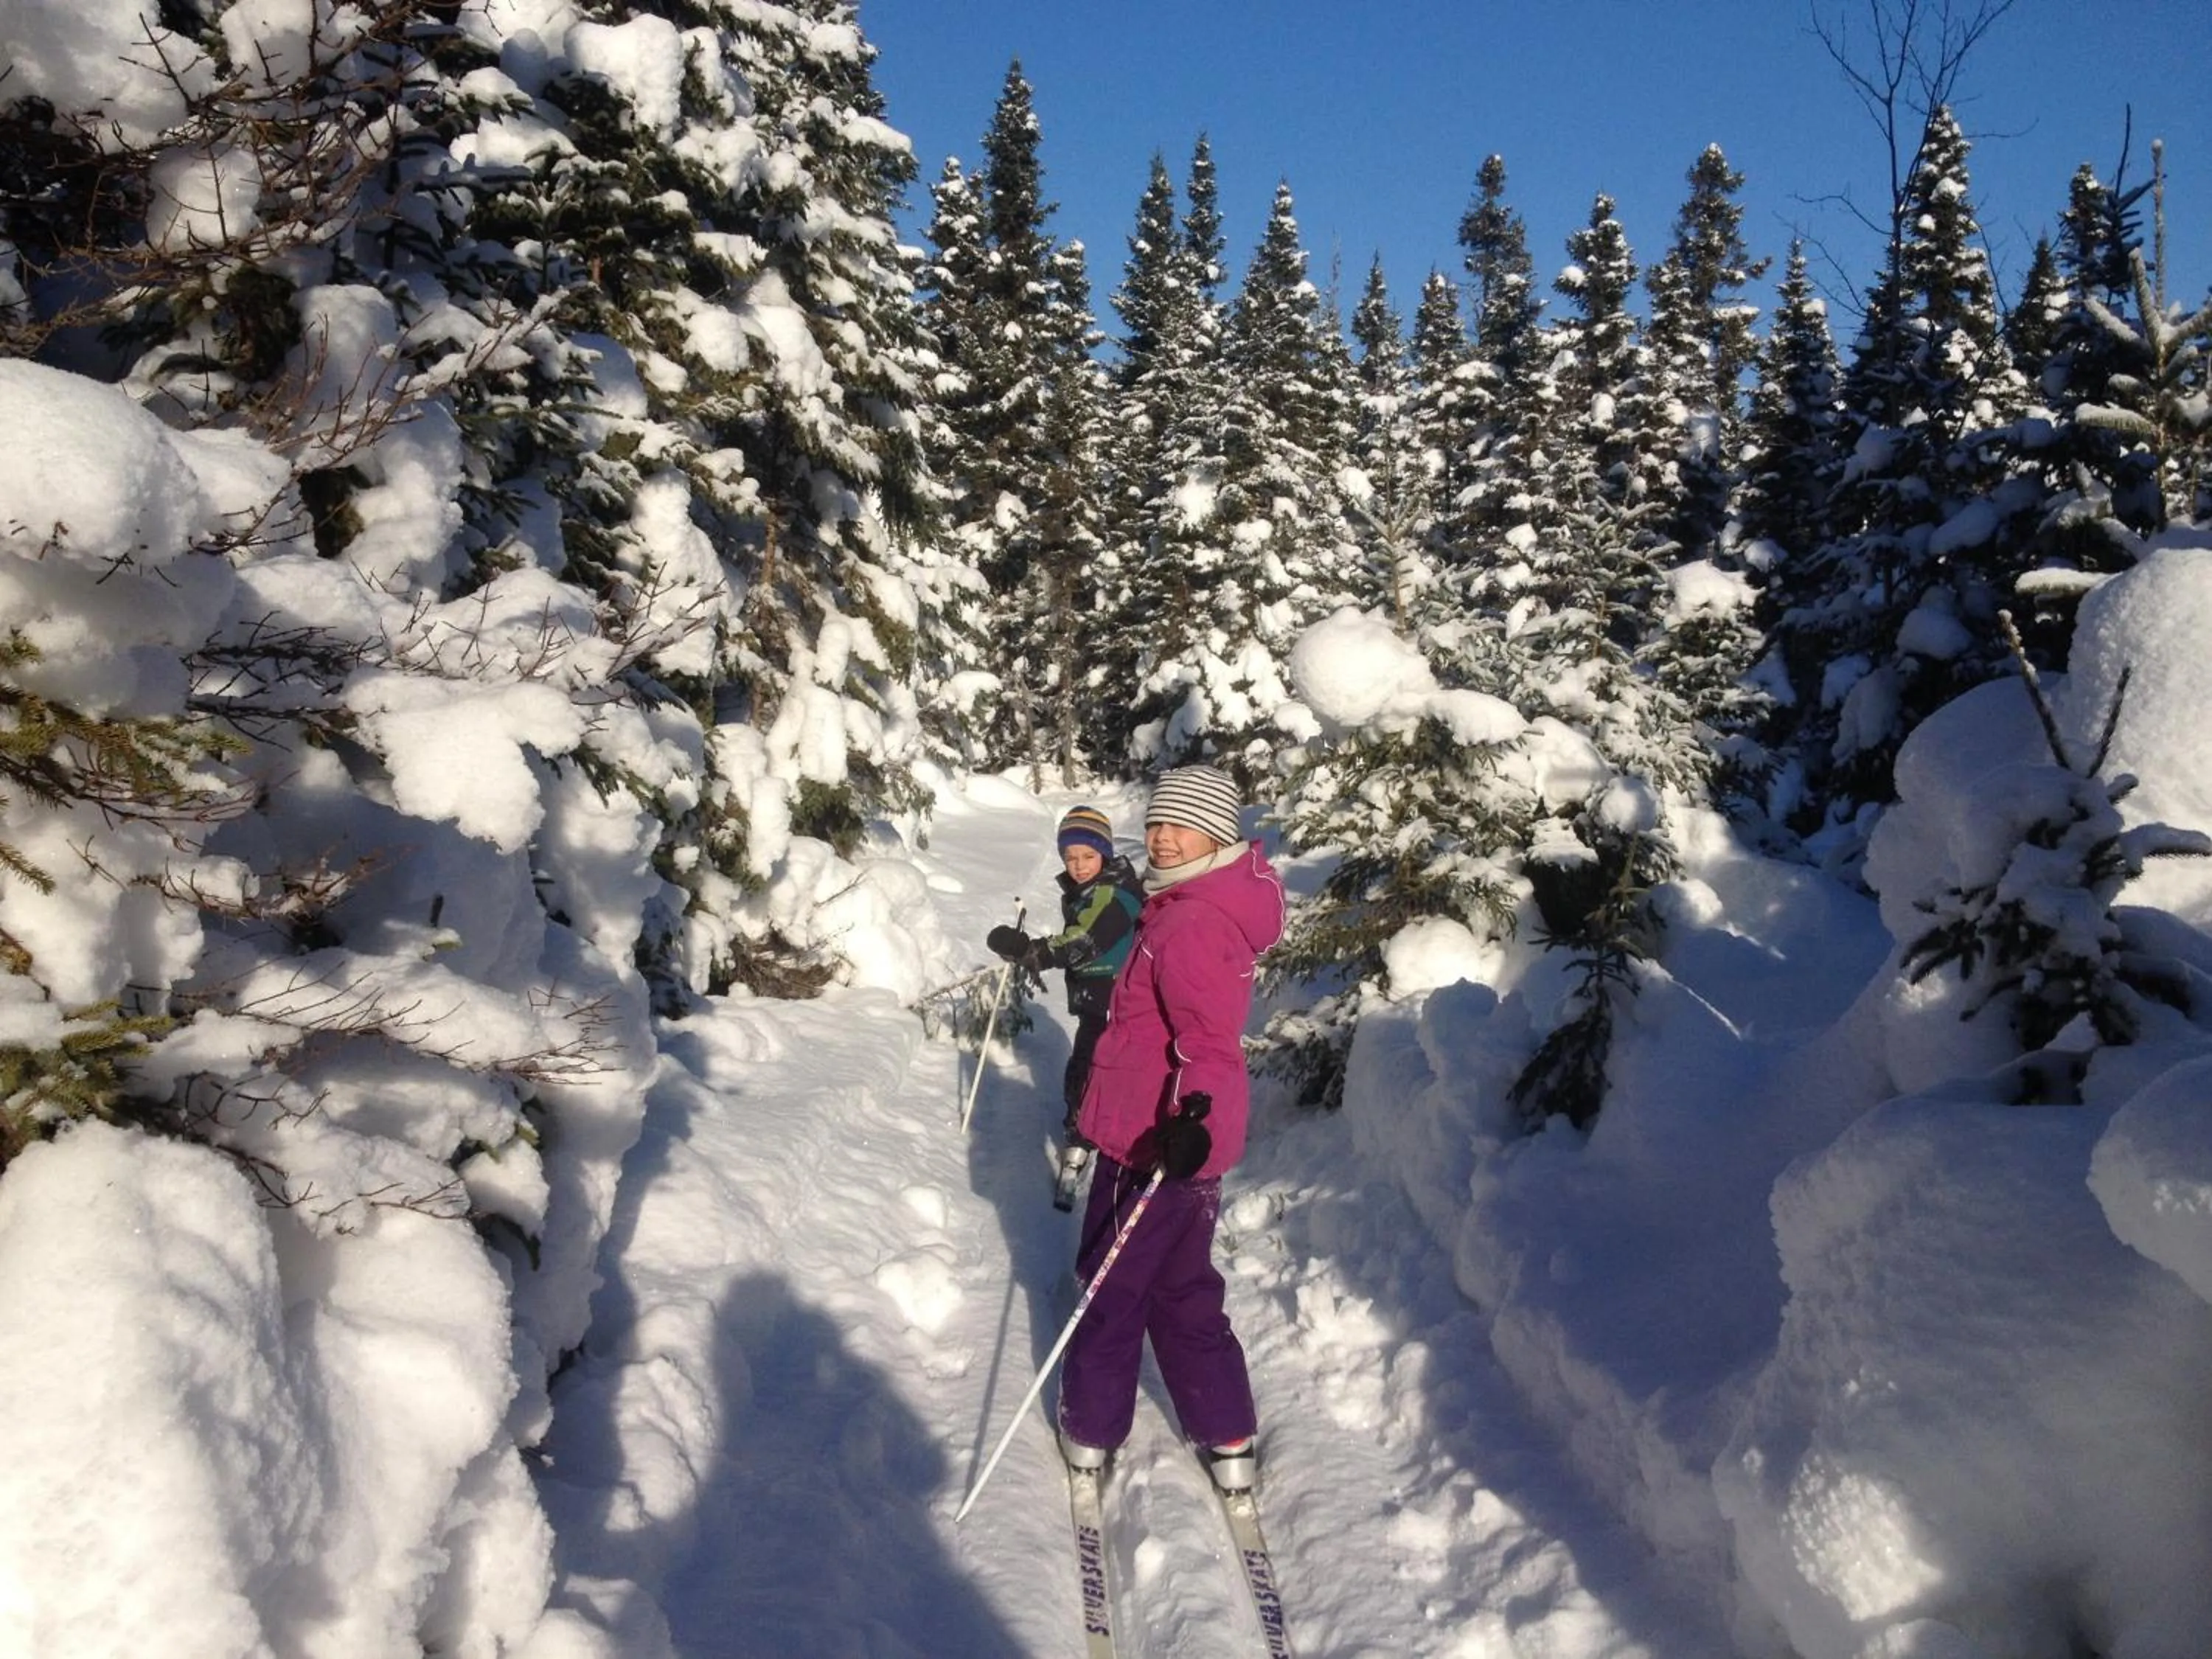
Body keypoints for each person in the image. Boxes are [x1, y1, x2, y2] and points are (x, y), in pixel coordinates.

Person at [1053, 765, 1284, 1494]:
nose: (1161, 837)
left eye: (1179, 826)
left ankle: (1090, 1427)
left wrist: (1193, 1120)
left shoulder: (1188, 920)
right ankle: (1228, 1430)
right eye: (1155, 824)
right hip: (1179, 1145)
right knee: (1182, 1287)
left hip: (1152, 1142)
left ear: (1216, 835)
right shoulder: (1196, 903)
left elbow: (1207, 1041)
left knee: (1111, 1285)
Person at [985, 806, 1144, 1208]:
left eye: (1088, 856)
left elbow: (1083, 943)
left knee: (1092, 1073)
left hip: (1119, 1002)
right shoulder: (1090, 890)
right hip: (1098, 1001)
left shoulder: (1117, 894)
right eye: (1070, 857)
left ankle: (1087, 1143)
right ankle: (1089, 1134)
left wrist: (1031, 951)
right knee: (1086, 1069)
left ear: (1105, 853)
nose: (1078, 866)